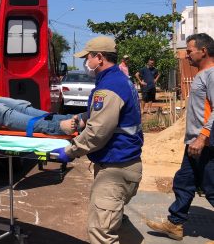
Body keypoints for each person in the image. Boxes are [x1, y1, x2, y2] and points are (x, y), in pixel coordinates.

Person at [51, 36, 143, 244]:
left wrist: (70, 151)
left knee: (101, 232)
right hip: (125, 165)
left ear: (99, 58)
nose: (86, 63)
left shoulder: (109, 86)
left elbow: (97, 134)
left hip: (115, 169)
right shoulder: (119, 81)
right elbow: (110, 117)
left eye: (88, 58)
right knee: (116, 223)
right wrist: (82, 118)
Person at [146, 33, 214, 241]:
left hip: (206, 143)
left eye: (189, 50)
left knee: (211, 188)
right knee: (183, 182)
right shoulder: (203, 74)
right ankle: (175, 223)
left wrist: (202, 137)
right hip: (194, 143)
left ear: (203, 51)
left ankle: (175, 221)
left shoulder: (212, 75)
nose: (186, 55)